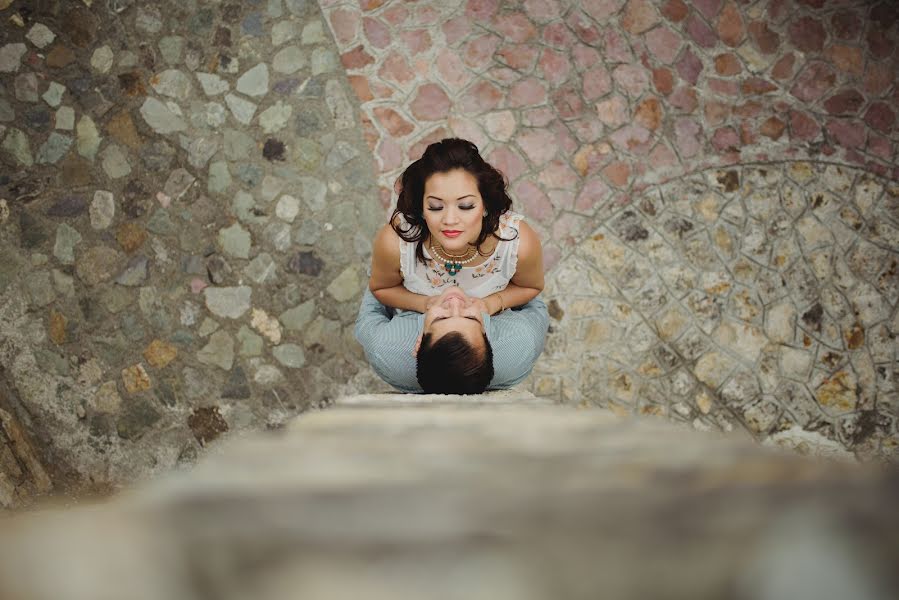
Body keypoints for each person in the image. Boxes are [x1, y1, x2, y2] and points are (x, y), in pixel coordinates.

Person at [365, 138, 546, 393]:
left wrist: (491, 304)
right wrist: (423, 303)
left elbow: (531, 286)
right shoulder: (394, 242)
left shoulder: (518, 243)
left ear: (485, 206)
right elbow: (381, 289)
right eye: (436, 207)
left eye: (466, 206)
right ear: (421, 208)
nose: (450, 220)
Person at [354, 287, 549, 394]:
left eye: (441, 318)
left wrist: (410, 298)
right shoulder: (523, 341)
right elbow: (532, 294)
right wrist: (497, 301)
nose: (455, 302)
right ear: (488, 336)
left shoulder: (384, 345)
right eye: (470, 318)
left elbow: (375, 291)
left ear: (418, 342)